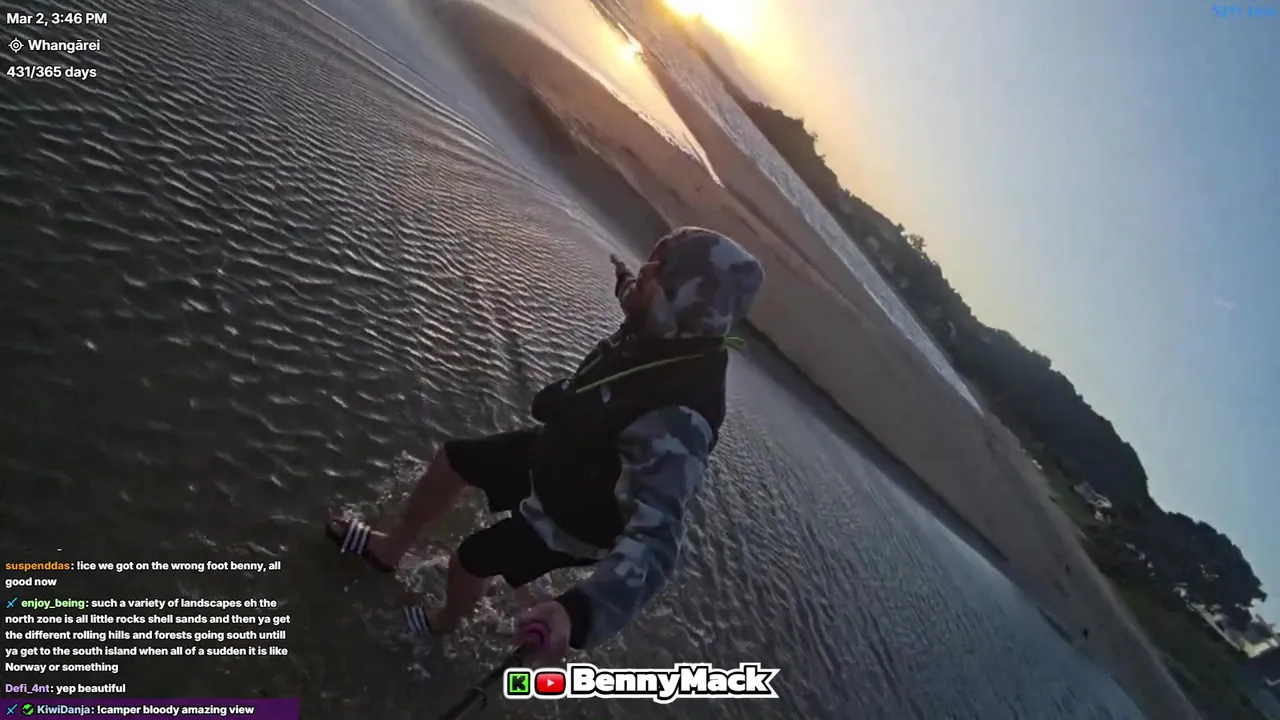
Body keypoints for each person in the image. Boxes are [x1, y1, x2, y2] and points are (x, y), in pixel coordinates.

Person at [325, 226, 765, 663]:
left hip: (579, 515)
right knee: (452, 460)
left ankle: (443, 624)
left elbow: (657, 540)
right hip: (563, 450)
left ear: (683, 304)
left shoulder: (680, 416)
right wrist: (623, 278)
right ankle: (390, 550)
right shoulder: (666, 324)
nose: (646, 269)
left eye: (660, 270)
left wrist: (578, 611)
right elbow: (634, 292)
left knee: (469, 559)